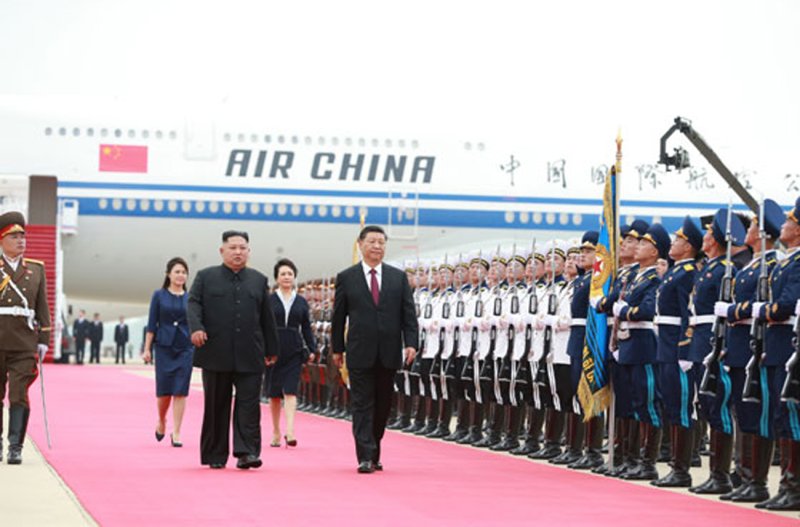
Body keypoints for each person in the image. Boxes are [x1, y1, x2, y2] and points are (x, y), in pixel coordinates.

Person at [188, 230, 279, 470]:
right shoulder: (205, 277)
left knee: (248, 405)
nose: (238, 252)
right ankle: (215, 454)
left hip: (251, 353)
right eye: (233, 248)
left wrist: (272, 348)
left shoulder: (258, 280)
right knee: (217, 404)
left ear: (248, 251)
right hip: (215, 352)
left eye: (243, 248)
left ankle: (247, 452)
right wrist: (196, 328)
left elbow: (267, 318)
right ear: (222, 250)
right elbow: (193, 304)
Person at [331, 225, 418, 473]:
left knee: (382, 405)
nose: (377, 246)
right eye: (372, 242)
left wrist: (411, 342)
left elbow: (408, 314)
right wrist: (337, 348)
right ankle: (365, 456)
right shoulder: (347, 277)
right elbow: (339, 317)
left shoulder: (397, 277)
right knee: (362, 404)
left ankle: (374, 447)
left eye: (381, 242)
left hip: (389, 352)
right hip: (359, 351)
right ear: (360, 244)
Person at [0, 211, 51, 464]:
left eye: (23, 236)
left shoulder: (35, 269)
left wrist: (44, 339)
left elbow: (42, 307)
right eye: (14, 236)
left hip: (23, 342)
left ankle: (15, 445)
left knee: (19, 394)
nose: (21, 241)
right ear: (1, 239)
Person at [142, 257, 194, 447]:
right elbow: (151, 323)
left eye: (183, 272)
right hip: (163, 346)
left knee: (181, 390)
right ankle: (162, 420)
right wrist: (147, 349)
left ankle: (177, 431)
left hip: (185, 347)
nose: (181, 275)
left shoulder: (191, 298)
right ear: (168, 274)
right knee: (164, 391)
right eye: (177, 271)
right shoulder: (159, 295)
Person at [266, 258, 316, 448]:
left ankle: (290, 430)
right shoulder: (269, 300)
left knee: (290, 390)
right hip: (274, 350)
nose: (287, 277)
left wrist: (311, 348)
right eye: (283, 274)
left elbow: (306, 327)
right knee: (274, 393)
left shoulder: (301, 302)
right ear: (277, 278)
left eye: (290, 274)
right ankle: (276, 431)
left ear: (294, 277)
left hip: (294, 349)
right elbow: (263, 326)